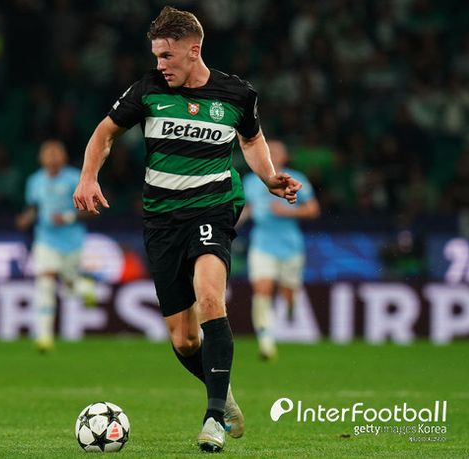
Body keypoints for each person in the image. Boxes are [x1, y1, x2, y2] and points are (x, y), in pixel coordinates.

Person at [73, 6, 301, 453]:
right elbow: (104, 134)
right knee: (184, 337)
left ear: (193, 50)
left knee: (210, 298)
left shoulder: (237, 94)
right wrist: (87, 177)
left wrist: (268, 177)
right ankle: (223, 395)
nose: (160, 64)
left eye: (167, 56)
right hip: (162, 219)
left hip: (213, 207)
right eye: (156, 56)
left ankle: (213, 419)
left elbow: (251, 139)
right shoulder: (148, 90)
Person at [241, 140, 320, 360]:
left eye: (277, 152)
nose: (272, 155)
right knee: (262, 290)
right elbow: (246, 208)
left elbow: (313, 209)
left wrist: (287, 213)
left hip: (290, 245)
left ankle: (291, 306)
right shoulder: (251, 181)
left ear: (284, 157)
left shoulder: (296, 179)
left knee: (288, 293)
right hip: (262, 243)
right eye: (269, 151)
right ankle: (265, 341)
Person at [16, 140, 94, 352]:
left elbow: (93, 209)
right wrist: (26, 218)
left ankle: (84, 287)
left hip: (72, 240)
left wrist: (68, 217)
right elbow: (34, 207)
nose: (51, 158)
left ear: (64, 157)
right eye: (47, 154)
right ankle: (44, 336)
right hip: (45, 238)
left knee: (69, 287)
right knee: (45, 282)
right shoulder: (35, 181)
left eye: (55, 153)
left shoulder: (75, 178)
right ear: (40, 158)